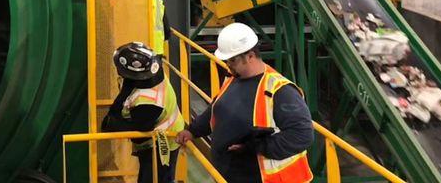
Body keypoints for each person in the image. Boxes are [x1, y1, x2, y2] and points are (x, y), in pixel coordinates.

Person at [175, 23, 314, 183]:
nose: (228, 64)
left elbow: (302, 135)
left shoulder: (280, 91)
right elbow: (217, 109)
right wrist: (193, 131)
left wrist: (256, 147)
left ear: (250, 56)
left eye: (232, 60)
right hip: (227, 174)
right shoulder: (233, 78)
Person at [102, 42, 185, 183]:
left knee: (155, 178)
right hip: (168, 130)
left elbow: (140, 134)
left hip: (161, 143)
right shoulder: (153, 70)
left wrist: (113, 123)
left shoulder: (147, 103)